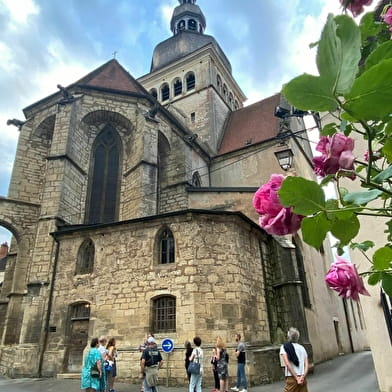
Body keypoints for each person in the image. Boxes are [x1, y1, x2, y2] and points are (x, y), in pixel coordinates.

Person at [280, 327, 309, 392]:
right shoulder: (302, 348)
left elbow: (287, 364)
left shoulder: (284, 347)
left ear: (289, 336)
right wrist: (302, 377)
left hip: (291, 377)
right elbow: (306, 365)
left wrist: (296, 378)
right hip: (302, 378)